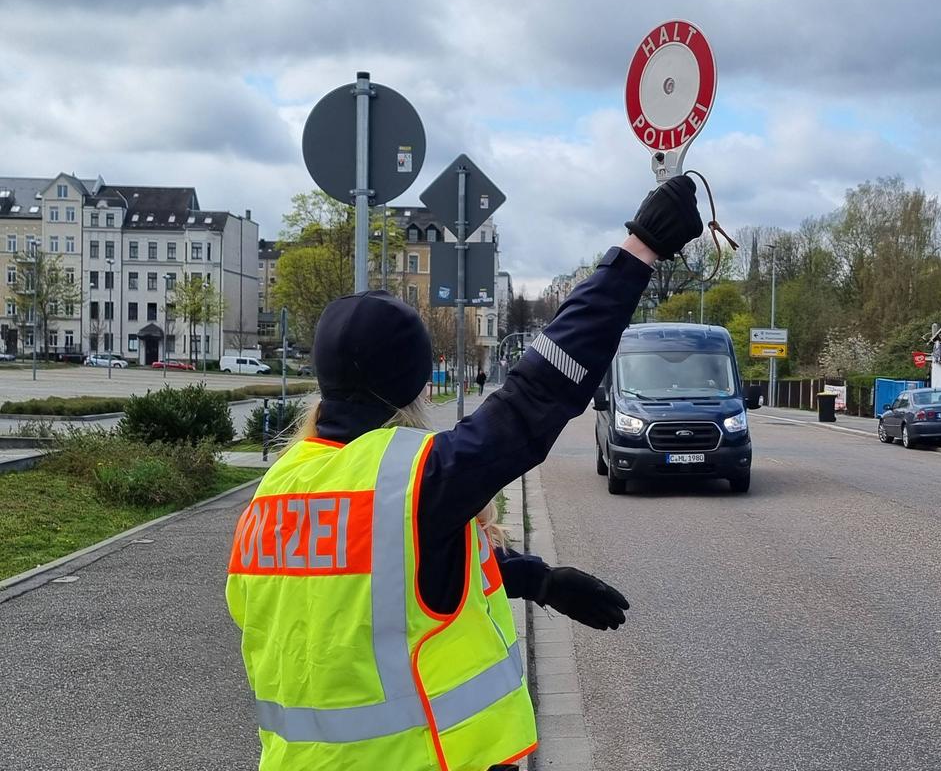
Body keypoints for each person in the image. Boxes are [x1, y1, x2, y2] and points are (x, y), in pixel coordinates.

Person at [225, 176, 704, 771]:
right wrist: (640, 250)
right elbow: (540, 390)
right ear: (417, 383)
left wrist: (534, 579)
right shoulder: (413, 482)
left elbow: (373, 587)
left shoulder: (274, 492)